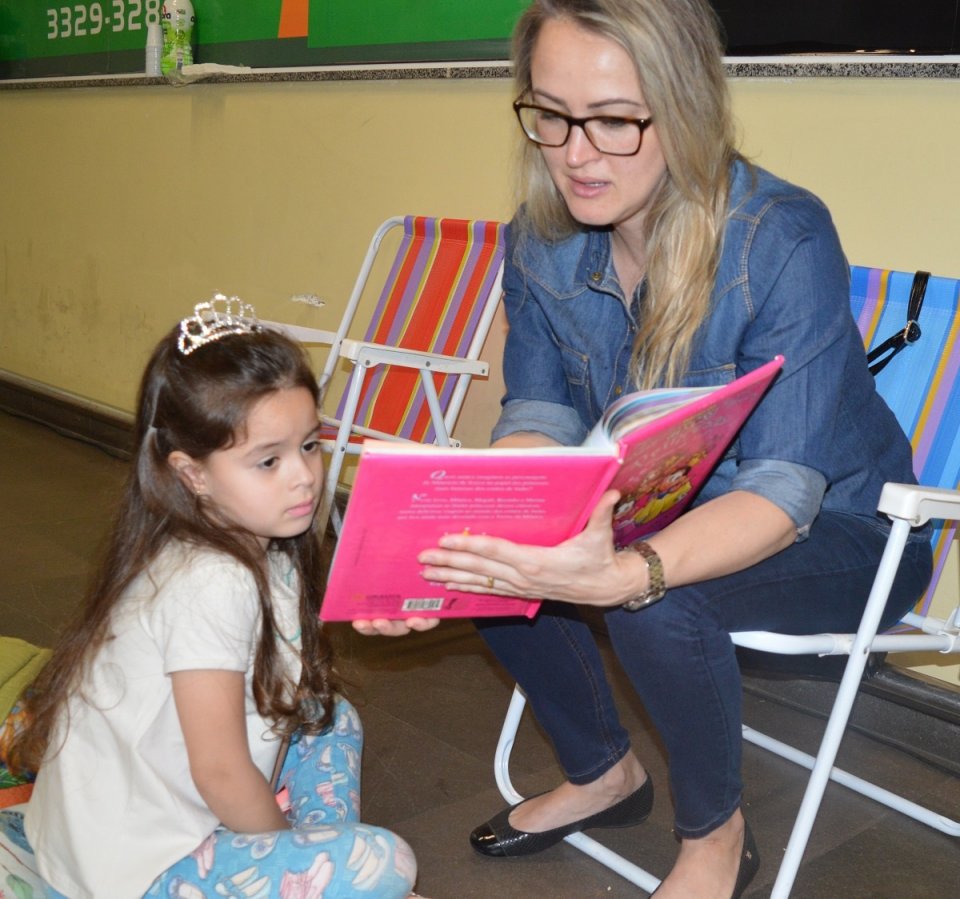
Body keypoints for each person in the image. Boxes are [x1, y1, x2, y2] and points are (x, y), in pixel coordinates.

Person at [410, 1, 934, 897]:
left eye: (614, 120)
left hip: (850, 531)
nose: (576, 153)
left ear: (685, 106)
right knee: (492, 552)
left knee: (655, 597)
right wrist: (460, 543)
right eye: (551, 113)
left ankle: (714, 839)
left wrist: (625, 572)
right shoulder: (538, 237)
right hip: (663, 502)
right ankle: (603, 771)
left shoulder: (780, 237)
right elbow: (534, 412)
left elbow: (781, 491)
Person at [3, 297, 422, 899]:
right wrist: (290, 850)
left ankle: (304, 860)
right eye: (268, 460)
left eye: (311, 444)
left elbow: (280, 652)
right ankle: (306, 863)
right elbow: (220, 773)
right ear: (191, 473)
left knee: (330, 718)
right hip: (134, 864)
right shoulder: (210, 580)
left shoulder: (244, 538)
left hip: (146, 814)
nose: (304, 475)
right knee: (383, 860)